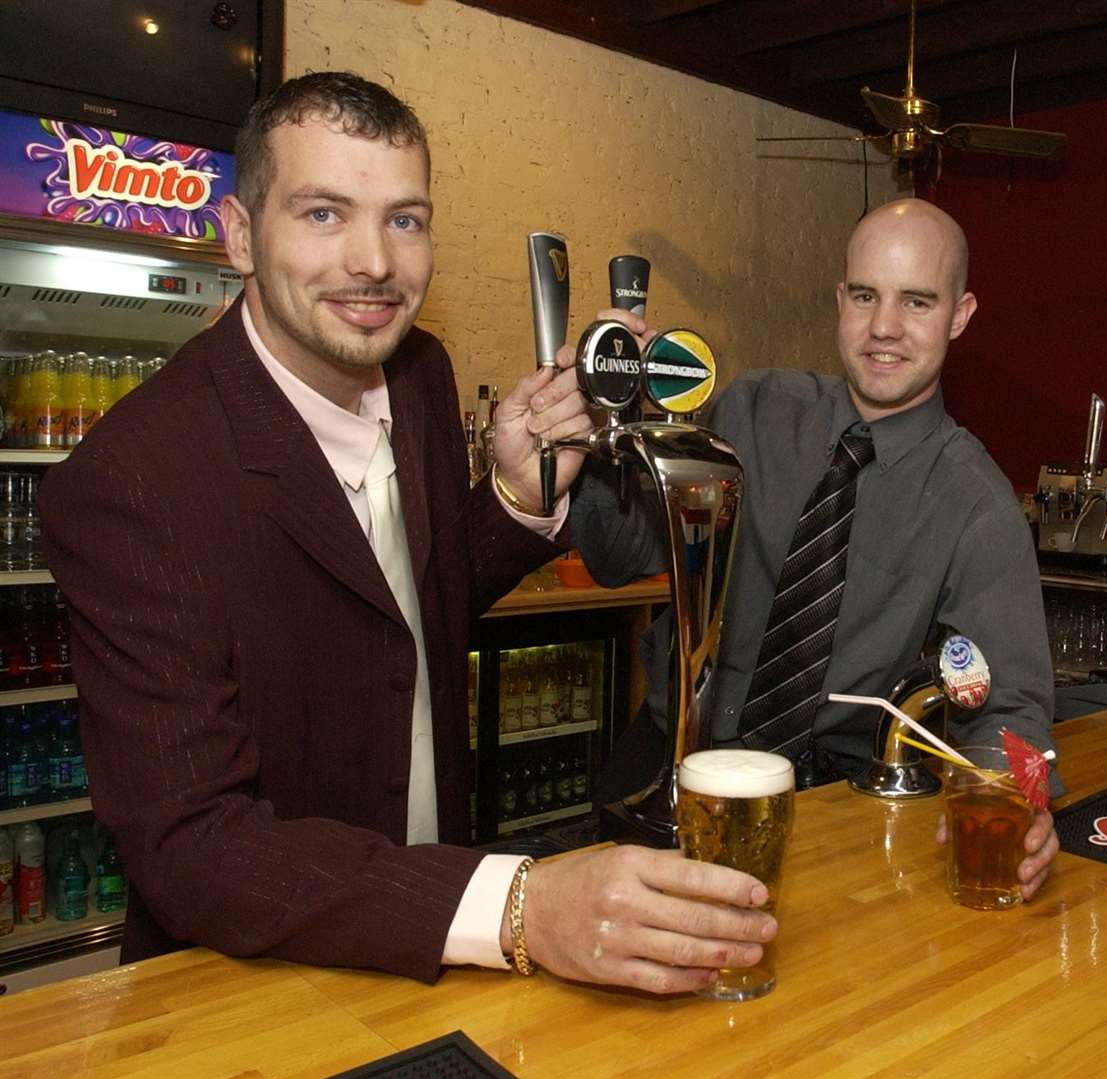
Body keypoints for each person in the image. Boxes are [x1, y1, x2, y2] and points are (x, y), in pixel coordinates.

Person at [38, 72, 774, 993]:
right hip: (245, 984)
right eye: (321, 214)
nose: (374, 263)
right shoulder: (132, 478)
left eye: (405, 219)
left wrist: (512, 492)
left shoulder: (419, 373)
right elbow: (192, 847)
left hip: (427, 938)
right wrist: (520, 907)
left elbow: (404, 617)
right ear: (237, 236)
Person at [572, 198, 1060, 899]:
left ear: (960, 315)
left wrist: (1020, 798)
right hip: (664, 773)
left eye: (917, 302)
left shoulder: (976, 505)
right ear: (840, 300)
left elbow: (1008, 705)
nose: (883, 328)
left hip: (825, 806)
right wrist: (603, 418)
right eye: (865, 296)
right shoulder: (753, 410)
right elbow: (619, 556)